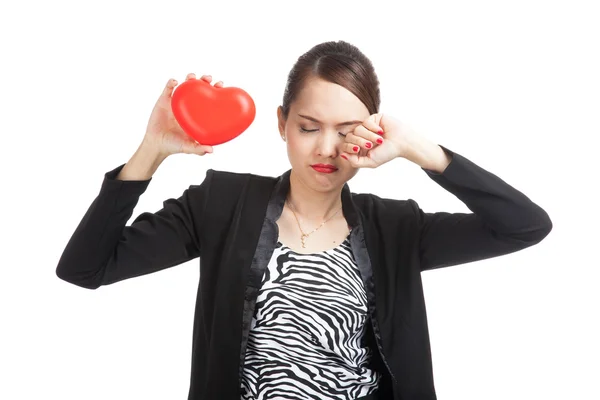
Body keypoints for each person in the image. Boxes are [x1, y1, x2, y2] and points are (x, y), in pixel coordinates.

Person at [55, 40, 553, 400]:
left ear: (373, 132)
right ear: (281, 124)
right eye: (309, 127)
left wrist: (419, 150)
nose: (326, 149)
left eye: (348, 130)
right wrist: (152, 150)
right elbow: (85, 268)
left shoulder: (397, 228)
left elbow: (525, 225)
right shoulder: (221, 203)